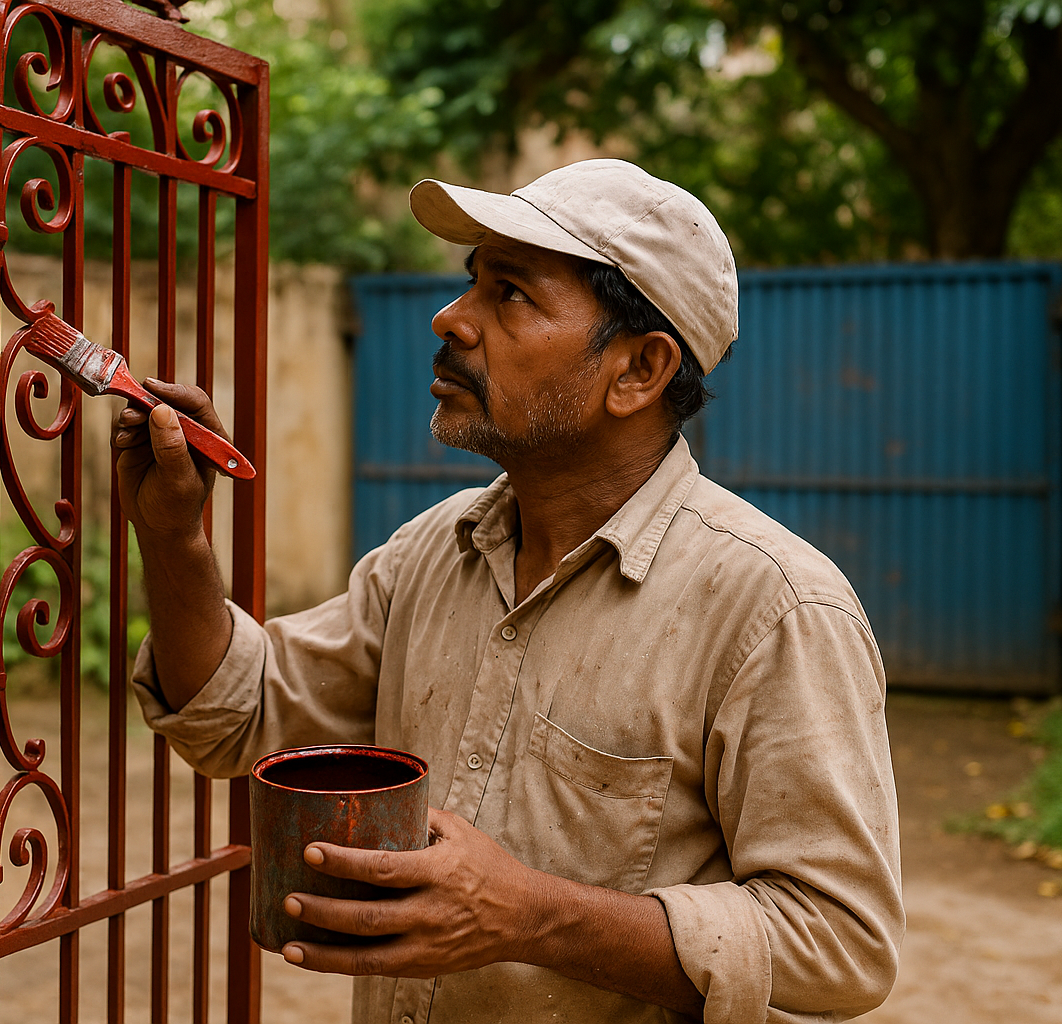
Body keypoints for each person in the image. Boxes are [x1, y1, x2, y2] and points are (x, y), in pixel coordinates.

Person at [112, 159, 903, 1024]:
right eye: (471, 284)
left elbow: (841, 944)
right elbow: (237, 712)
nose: (453, 319)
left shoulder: (773, 609)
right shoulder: (433, 551)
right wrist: (175, 535)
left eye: (513, 295)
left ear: (639, 371)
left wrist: (531, 916)